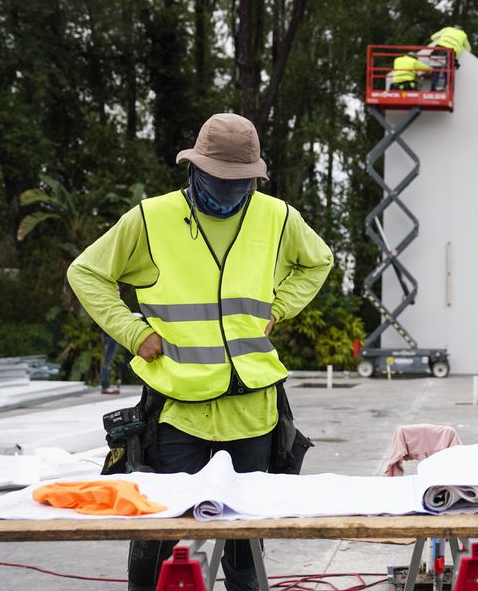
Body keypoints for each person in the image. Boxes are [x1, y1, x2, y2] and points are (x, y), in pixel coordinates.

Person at [68, 112, 333, 591]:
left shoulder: (277, 217)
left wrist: (278, 308)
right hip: (178, 410)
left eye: (239, 181)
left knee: (245, 537)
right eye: (219, 178)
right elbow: (86, 272)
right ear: (194, 168)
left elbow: (319, 261)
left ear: (254, 177)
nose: (229, 189)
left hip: (252, 410)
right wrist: (132, 332)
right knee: (160, 530)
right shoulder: (152, 218)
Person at [425, 25, 471, 91]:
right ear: (461, 30)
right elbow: (468, 49)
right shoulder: (463, 35)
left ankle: (433, 88)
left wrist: (441, 40)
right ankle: (447, 88)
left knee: (436, 70)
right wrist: (460, 46)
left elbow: (433, 37)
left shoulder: (447, 29)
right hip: (451, 53)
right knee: (448, 72)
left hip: (438, 50)